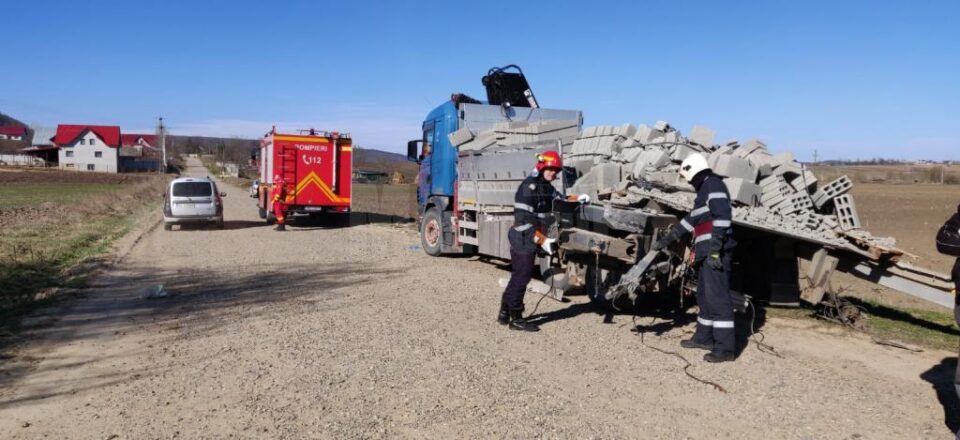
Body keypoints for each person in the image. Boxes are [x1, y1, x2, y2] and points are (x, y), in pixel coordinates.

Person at [653, 153, 737, 362]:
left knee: (717, 298)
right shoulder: (704, 191)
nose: (688, 182)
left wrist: (715, 249)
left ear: (693, 170)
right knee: (705, 297)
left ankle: (725, 348)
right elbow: (690, 221)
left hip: (715, 253)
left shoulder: (714, 184)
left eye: (687, 177)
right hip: (705, 253)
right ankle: (703, 338)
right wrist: (667, 240)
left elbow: (723, 217)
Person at [498, 151, 589, 331]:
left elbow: (561, 199)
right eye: (550, 169)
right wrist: (543, 240)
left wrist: (577, 198)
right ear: (541, 167)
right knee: (522, 277)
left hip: (532, 237)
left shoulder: (546, 187)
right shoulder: (528, 188)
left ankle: (504, 311)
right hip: (523, 237)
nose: (553, 173)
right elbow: (523, 222)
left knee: (518, 276)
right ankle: (516, 318)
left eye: (556, 171)